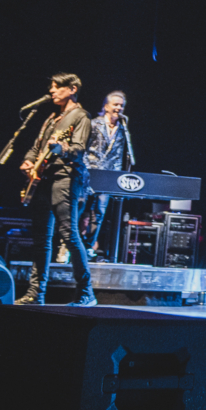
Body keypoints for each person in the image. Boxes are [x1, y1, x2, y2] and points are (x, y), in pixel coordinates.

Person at [16, 73, 96, 306]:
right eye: (51, 87)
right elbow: (36, 146)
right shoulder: (51, 118)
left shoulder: (81, 116)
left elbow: (79, 149)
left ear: (72, 89)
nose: (52, 91)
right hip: (44, 179)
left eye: (57, 87)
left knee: (69, 234)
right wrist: (28, 161)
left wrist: (62, 148)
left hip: (66, 177)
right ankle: (35, 293)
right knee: (41, 238)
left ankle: (86, 292)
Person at [80, 90, 134, 258]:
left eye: (122, 105)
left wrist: (116, 179)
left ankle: (88, 246)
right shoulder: (94, 123)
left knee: (100, 212)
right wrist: (86, 170)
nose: (119, 108)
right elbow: (84, 148)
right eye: (115, 104)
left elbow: (119, 156)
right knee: (82, 209)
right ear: (106, 106)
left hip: (108, 178)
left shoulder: (122, 129)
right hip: (89, 174)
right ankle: (72, 244)